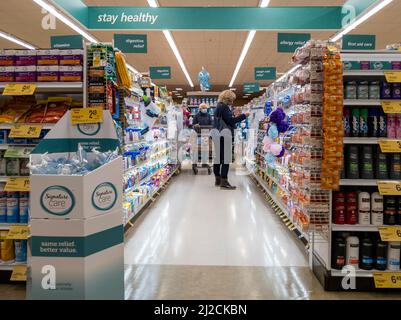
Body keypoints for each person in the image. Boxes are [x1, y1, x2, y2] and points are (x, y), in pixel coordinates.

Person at [213, 90, 249, 190]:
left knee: (218, 158)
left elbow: (222, 120)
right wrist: (243, 116)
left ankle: (218, 179)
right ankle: (224, 182)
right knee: (226, 159)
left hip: (217, 135)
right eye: (231, 100)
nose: (232, 102)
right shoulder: (224, 107)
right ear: (227, 99)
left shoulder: (218, 106)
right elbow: (231, 121)